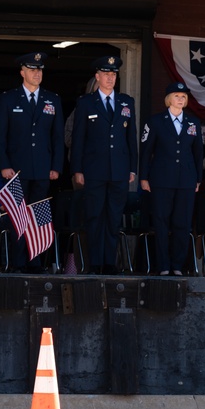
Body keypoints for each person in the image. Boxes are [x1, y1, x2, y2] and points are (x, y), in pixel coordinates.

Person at [0, 52, 64, 272]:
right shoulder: (8, 98)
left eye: (40, 70)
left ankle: (35, 261)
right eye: (32, 70)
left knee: (39, 215)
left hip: (43, 169)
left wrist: (56, 166)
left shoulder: (52, 99)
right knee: (18, 216)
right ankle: (19, 261)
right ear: (22, 72)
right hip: (15, 169)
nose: (37, 73)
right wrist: (4, 165)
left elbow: (58, 137)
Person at [70, 55, 138, 275]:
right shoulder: (85, 103)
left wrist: (132, 168)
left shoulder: (126, 102)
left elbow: (131, 138)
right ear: (97, 77)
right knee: (94, 216)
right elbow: (78, 138)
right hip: (94, 170)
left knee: (113, 217)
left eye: (113, 74)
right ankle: (95, 262)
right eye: (106, 74)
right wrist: (77, 169)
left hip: (119, 170)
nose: (110, 78)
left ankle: (109, 263)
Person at [139, 82, 203, 276]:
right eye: (177, 95)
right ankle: (164, 265)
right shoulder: (155, 121)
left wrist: (198, 178)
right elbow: (146, 151)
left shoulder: (193, 123)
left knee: (182, 224)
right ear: (169, 99)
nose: (181, 99)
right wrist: (143, 177)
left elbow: (199, 153)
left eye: (183, 96)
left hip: (186, 180)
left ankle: (177, 265)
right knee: (161, 222)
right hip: (161, 180)